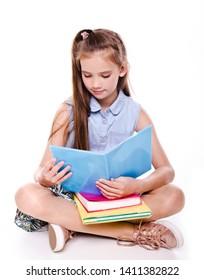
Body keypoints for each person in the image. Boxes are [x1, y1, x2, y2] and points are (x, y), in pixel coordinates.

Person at [14, 28, 185, 253]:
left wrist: (138, 185)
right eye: (87, 75)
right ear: (79, 72)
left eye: (105, 75)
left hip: (118, 198)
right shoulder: (68, 110)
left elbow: (166, 170)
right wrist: (44, 178)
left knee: (175, 196)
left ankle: (70, 226)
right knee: (26, 195)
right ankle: (133, 232)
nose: (96, 84)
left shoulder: (136, 113)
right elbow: (40, 170)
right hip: (73, 199)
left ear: (122, 69)